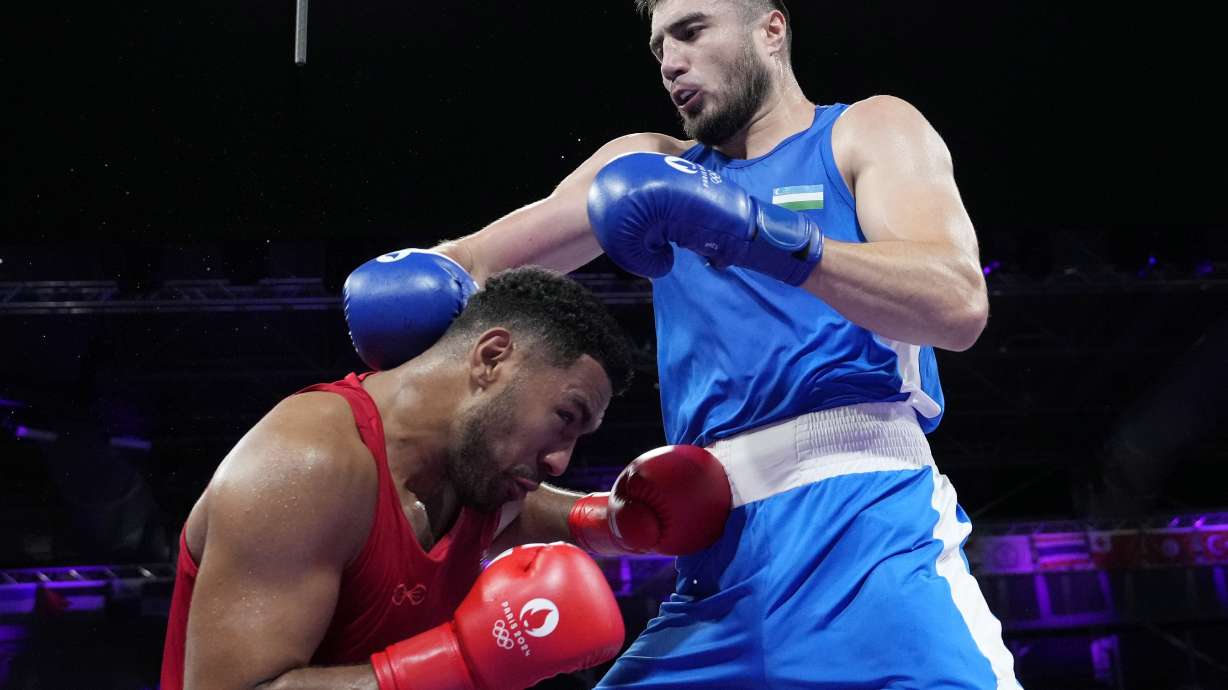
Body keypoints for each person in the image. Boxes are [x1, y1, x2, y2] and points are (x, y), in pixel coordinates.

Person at [345, 0, 1024, 686]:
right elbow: (479, 260)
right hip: (712, 558)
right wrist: (422, 279)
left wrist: (754, 232)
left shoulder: (865, 129)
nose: (671, 62)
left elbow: (957, 302)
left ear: (771, 29)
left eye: (693, 31)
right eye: (660, 46)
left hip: (869, 534)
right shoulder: (649, 168)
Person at [159, 264, 734, 690]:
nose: (561, 460)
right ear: (491, 358)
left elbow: (522, 510)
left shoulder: (478, 472)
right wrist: (459, 660)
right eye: (565, 417)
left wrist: (608, 522)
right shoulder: (306, 468)